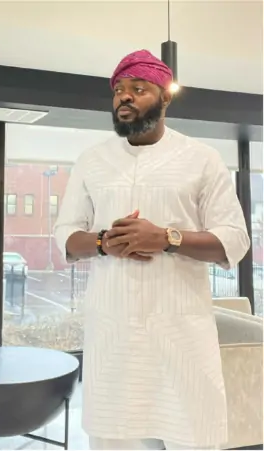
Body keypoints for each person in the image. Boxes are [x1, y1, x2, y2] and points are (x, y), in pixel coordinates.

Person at [54, 49, 250, 450]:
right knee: (114, 439)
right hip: (113, 339)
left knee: (191, 437)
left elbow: (234, 240)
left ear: (165, 97)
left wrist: (166, 238)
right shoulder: (92, 161)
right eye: (118, 90)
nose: (124, 96)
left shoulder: (202, 159)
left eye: (138, 88)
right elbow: (66, 236)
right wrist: (103, 243)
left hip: (181, 339)